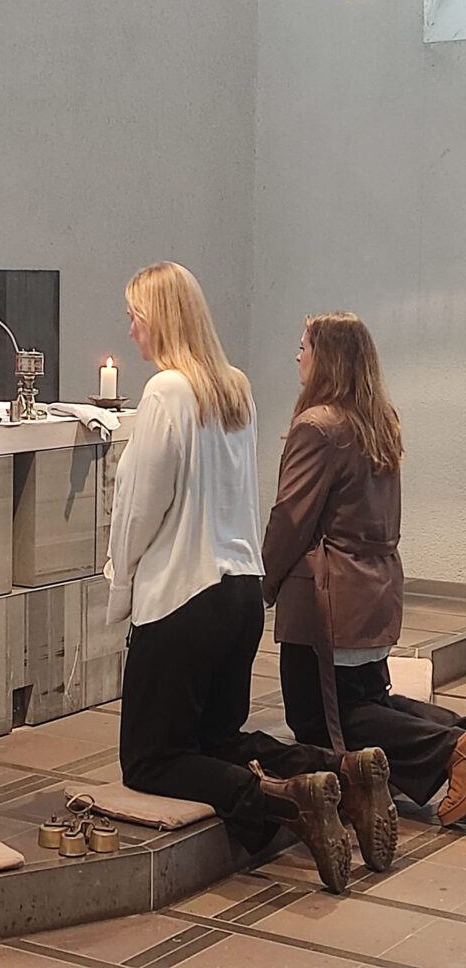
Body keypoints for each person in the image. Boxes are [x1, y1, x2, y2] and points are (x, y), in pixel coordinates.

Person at [105, 263, 397, 895]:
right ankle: (341, 771)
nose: (130, 330)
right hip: (238, 593)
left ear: (161, 317)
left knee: (150, 760)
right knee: (217, 738)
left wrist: (119, 582)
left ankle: (290, 799)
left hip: (181, 596)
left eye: (135, 316)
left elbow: (140, 506)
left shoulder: (167, 391)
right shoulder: (235, 386)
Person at [262, 312, 466, 827]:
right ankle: (459, 736)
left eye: (305, 346)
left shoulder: (318, 426)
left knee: (322, 718)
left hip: (329, 593)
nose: (297, 355)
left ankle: (453, 750)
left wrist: (264, 582)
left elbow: (291, 517)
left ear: (327, 358)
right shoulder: (379, 419)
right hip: (374, 585)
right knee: (367, 700)